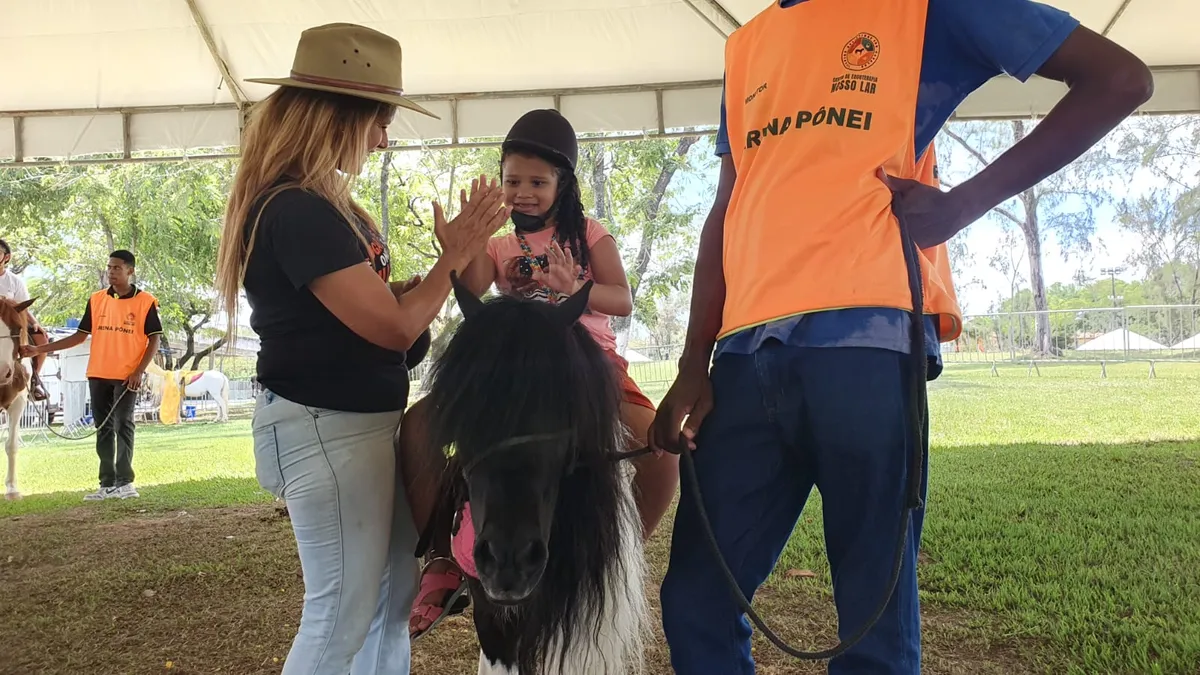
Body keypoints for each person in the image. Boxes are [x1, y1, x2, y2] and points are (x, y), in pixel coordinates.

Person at [647, 2, 1154, 673]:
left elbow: (1120, 80)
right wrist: (692, 362)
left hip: (869, 342)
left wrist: (963, 204)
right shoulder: (746, 44)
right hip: (742, 357)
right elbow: (727, 204)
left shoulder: (922, 8)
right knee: (695, 599)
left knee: (872, 625)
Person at [213, 23, 509, 675]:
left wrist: (417, 285)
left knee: (390, 597)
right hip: (326, 429)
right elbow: (394, 329)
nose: (384, 136)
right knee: (342, 609)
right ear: (336, 117)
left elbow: (376, 317)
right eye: (378, 120)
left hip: (361, 426)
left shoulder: (331, 210)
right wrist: (451, 260)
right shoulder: (296, 210)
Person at [401, 108, 682, 639]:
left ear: (563, 183)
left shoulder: (590, 234)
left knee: (653, 446)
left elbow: (621, 299)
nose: (523, 192)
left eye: (537, 181)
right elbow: (475, 285)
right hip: (512, 367)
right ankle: (441, 555)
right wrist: (459, 248)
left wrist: (573, 287)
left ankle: (612, 558)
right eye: (512, 181)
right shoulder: (501, 244)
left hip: (587, 361)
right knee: (419, 424)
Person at [23, 250, 162, 501]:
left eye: (117, 268)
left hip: (127, 375)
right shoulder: (97, 299)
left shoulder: (146, 301)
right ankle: (106, 484)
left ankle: (125, 482)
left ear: (130, 271)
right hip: (98, 373)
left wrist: (138, 371)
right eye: (109, 267)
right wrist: (38, 349)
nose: (111, 272)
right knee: (103, 427)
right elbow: (79, 336)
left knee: (124, 423)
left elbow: (154, 339)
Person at [0, 239, 49, 401]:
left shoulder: (15, 281)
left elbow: (23, 307)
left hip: (11, 324)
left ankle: (34, 380)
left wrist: (35, 322)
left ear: (6, 257)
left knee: (42, 339)